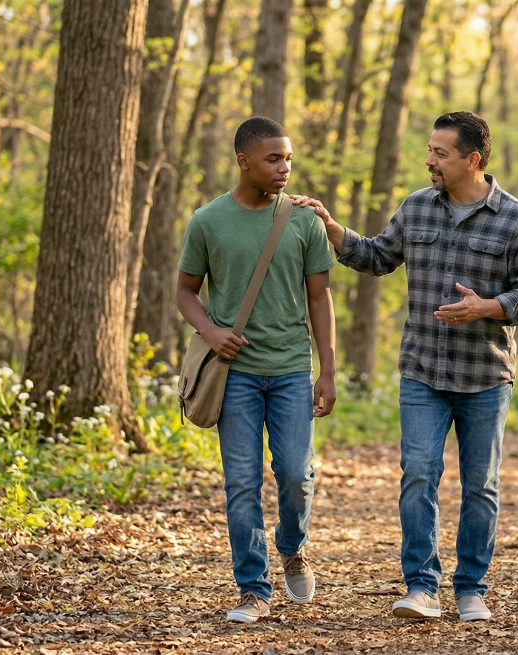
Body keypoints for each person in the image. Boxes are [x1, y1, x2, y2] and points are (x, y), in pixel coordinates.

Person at [313, 111, 518, 621]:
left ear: (473, 159)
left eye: (440, 153)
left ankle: (471, 589)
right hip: (422, 370)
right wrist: (333, 229)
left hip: (485, 377)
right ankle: (421, 587)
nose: (430, 161)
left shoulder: (515, 218)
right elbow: (376, 257)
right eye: (429, 150)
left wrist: (486, 307)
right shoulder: (416, 208)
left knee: (480, 484)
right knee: (418, 474)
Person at [175, 117, 337, 623]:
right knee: (241, 483)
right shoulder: (207, 221)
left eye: (288, 157)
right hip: (235, 374)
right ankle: (253, 588)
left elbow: (320, 296)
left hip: (291, 369)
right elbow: (185, 291)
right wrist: (210, 331)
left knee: (295, 474)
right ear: (244, 161)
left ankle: (292, 546)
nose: (285, 167)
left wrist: (327, 370)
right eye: (274, 158)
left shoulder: (304, 220)